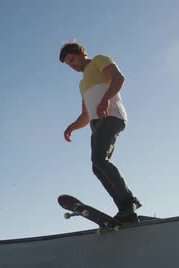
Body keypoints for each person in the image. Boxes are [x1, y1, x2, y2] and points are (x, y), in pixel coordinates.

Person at [59, 41, 141, 221]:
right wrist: (71, 127)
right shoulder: (82, 84)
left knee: (99, 159)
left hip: (111, 117)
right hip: (96, 124)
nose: (72, 65)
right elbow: (86, 115)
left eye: (73, 59)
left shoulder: (98, 61)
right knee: (97, 167)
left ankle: (128, 202)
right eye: (68, 64)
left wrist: (105, 100)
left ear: (82, 53)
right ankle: (126, 210)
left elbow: (119, 78)